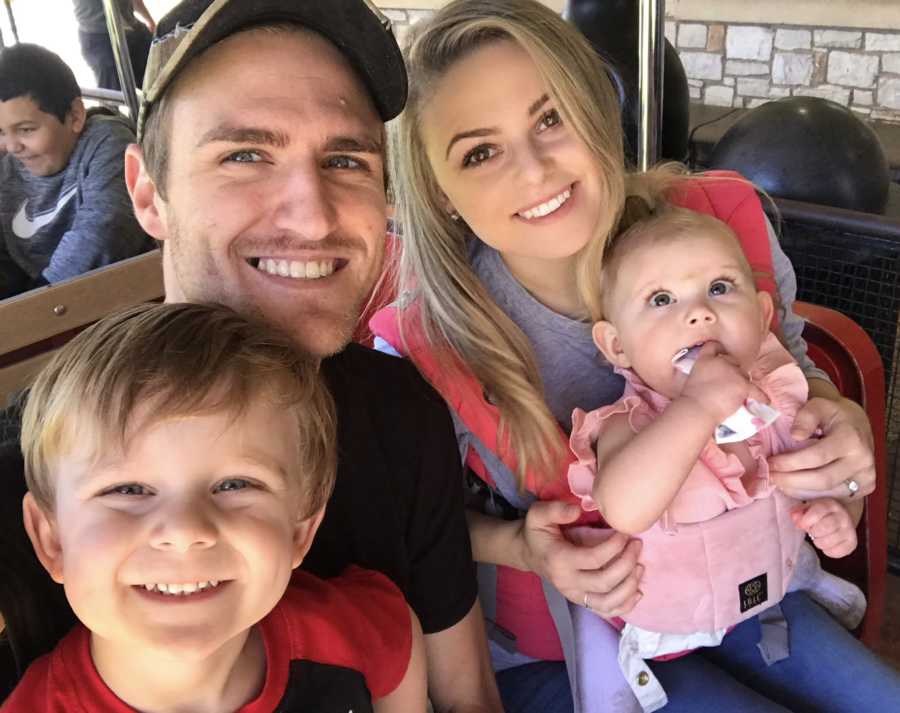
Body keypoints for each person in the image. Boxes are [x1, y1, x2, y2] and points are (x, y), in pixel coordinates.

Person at [369, 1, 887, 711]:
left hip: (749, 591)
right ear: (440, 192)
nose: (535, 169)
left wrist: (836, 416)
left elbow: (790, 358)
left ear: (595, 108)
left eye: (550, 118)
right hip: (567, 642)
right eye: (480, 152)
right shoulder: (427, 345)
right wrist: (520, 543)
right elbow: (406, 522)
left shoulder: (717, 228)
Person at [1, 1, 502, 710]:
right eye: (245, 154)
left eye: (344, 160)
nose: (313, 213)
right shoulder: (27, 473)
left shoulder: (397, 411)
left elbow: (466, 693)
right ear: (148, 192)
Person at [2, 301, 426, 712]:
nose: (186, 531)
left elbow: (396, 628)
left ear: (300, 530)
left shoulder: (342, 633)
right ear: (51, 539)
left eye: (235, 484)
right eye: (127, 489)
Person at [565, 195, 869, 711]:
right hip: (666, 638)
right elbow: (624, 506)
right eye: (661, 300)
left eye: (720, 288)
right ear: (617, 346)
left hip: (768, 597)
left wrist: (839, 513)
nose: (700, 312)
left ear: (763, 314)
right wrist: (698, 408)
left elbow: (835, 475)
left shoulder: (782, 392)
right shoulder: (628, 422)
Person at [0, 43, 153, 299]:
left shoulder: (107, 143)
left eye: (26, 129)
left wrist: (33, 308)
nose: (13, 146)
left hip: (125, 299)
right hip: (47, 303)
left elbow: (103, 232)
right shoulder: (7, 168)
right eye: (1, 132)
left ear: (75, 116)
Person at [73, 0, 155, 90]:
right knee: (112, 92)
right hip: (98, 35)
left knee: (157, 71)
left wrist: (149, 20)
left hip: (129, 27)